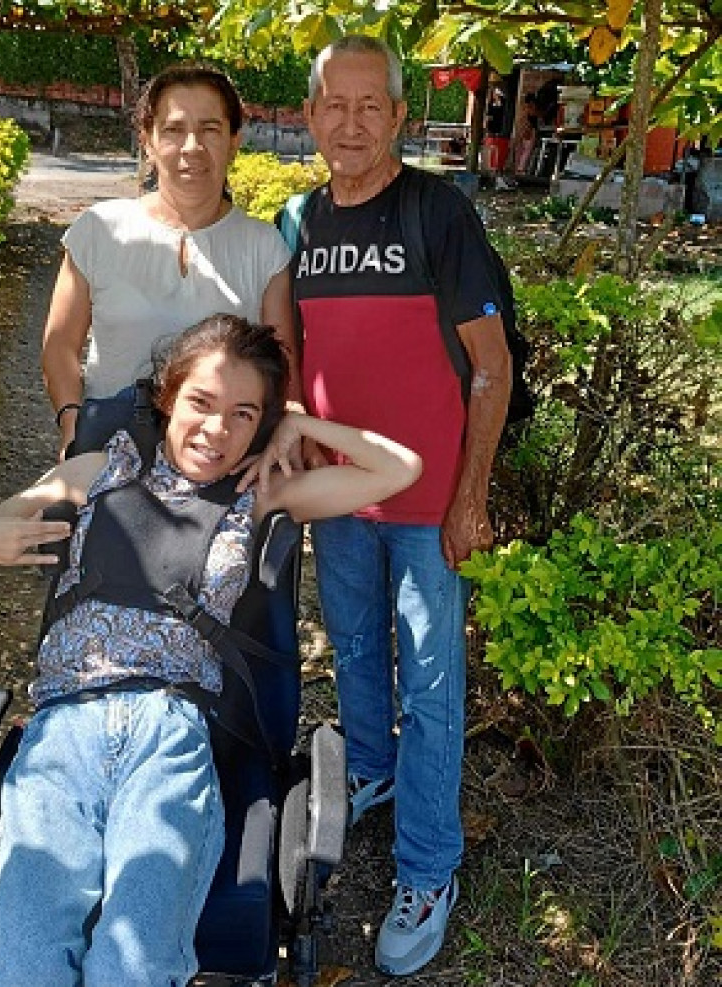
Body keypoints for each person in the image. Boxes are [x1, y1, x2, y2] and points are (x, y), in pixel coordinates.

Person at [0, 314, 423, 987]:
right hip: (64, 730)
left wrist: (297, 422)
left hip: (169, 734)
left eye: (242, 414)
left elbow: (401, 467)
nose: (216, 430)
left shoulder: (259, 493)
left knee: (130, 965)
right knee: (25, 965)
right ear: (168, 396)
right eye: (201, 402)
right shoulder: (99, 469)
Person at [283, 34, 512, 978]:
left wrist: (470, 499)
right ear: (309, 115)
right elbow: (291, 345)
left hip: (426, 507)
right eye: (333, 105)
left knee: (430, 687)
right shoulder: (297, 220)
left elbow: (491, 367)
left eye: (369, 105)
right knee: (353, 648)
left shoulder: (436, 211)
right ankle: (370, 774)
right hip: (342, 498)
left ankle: (426, 868)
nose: (350, 123)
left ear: (399, 117)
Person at [41, 64, 300, 458]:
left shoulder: (264, 247)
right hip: (106, 451)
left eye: (210, 129)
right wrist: (72, 423)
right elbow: (60, 344)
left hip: (218, 461)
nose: (192, 146)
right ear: (147, 140)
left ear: (234, 141)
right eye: (174, 129)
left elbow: (283, 371)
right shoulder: (99, 230)